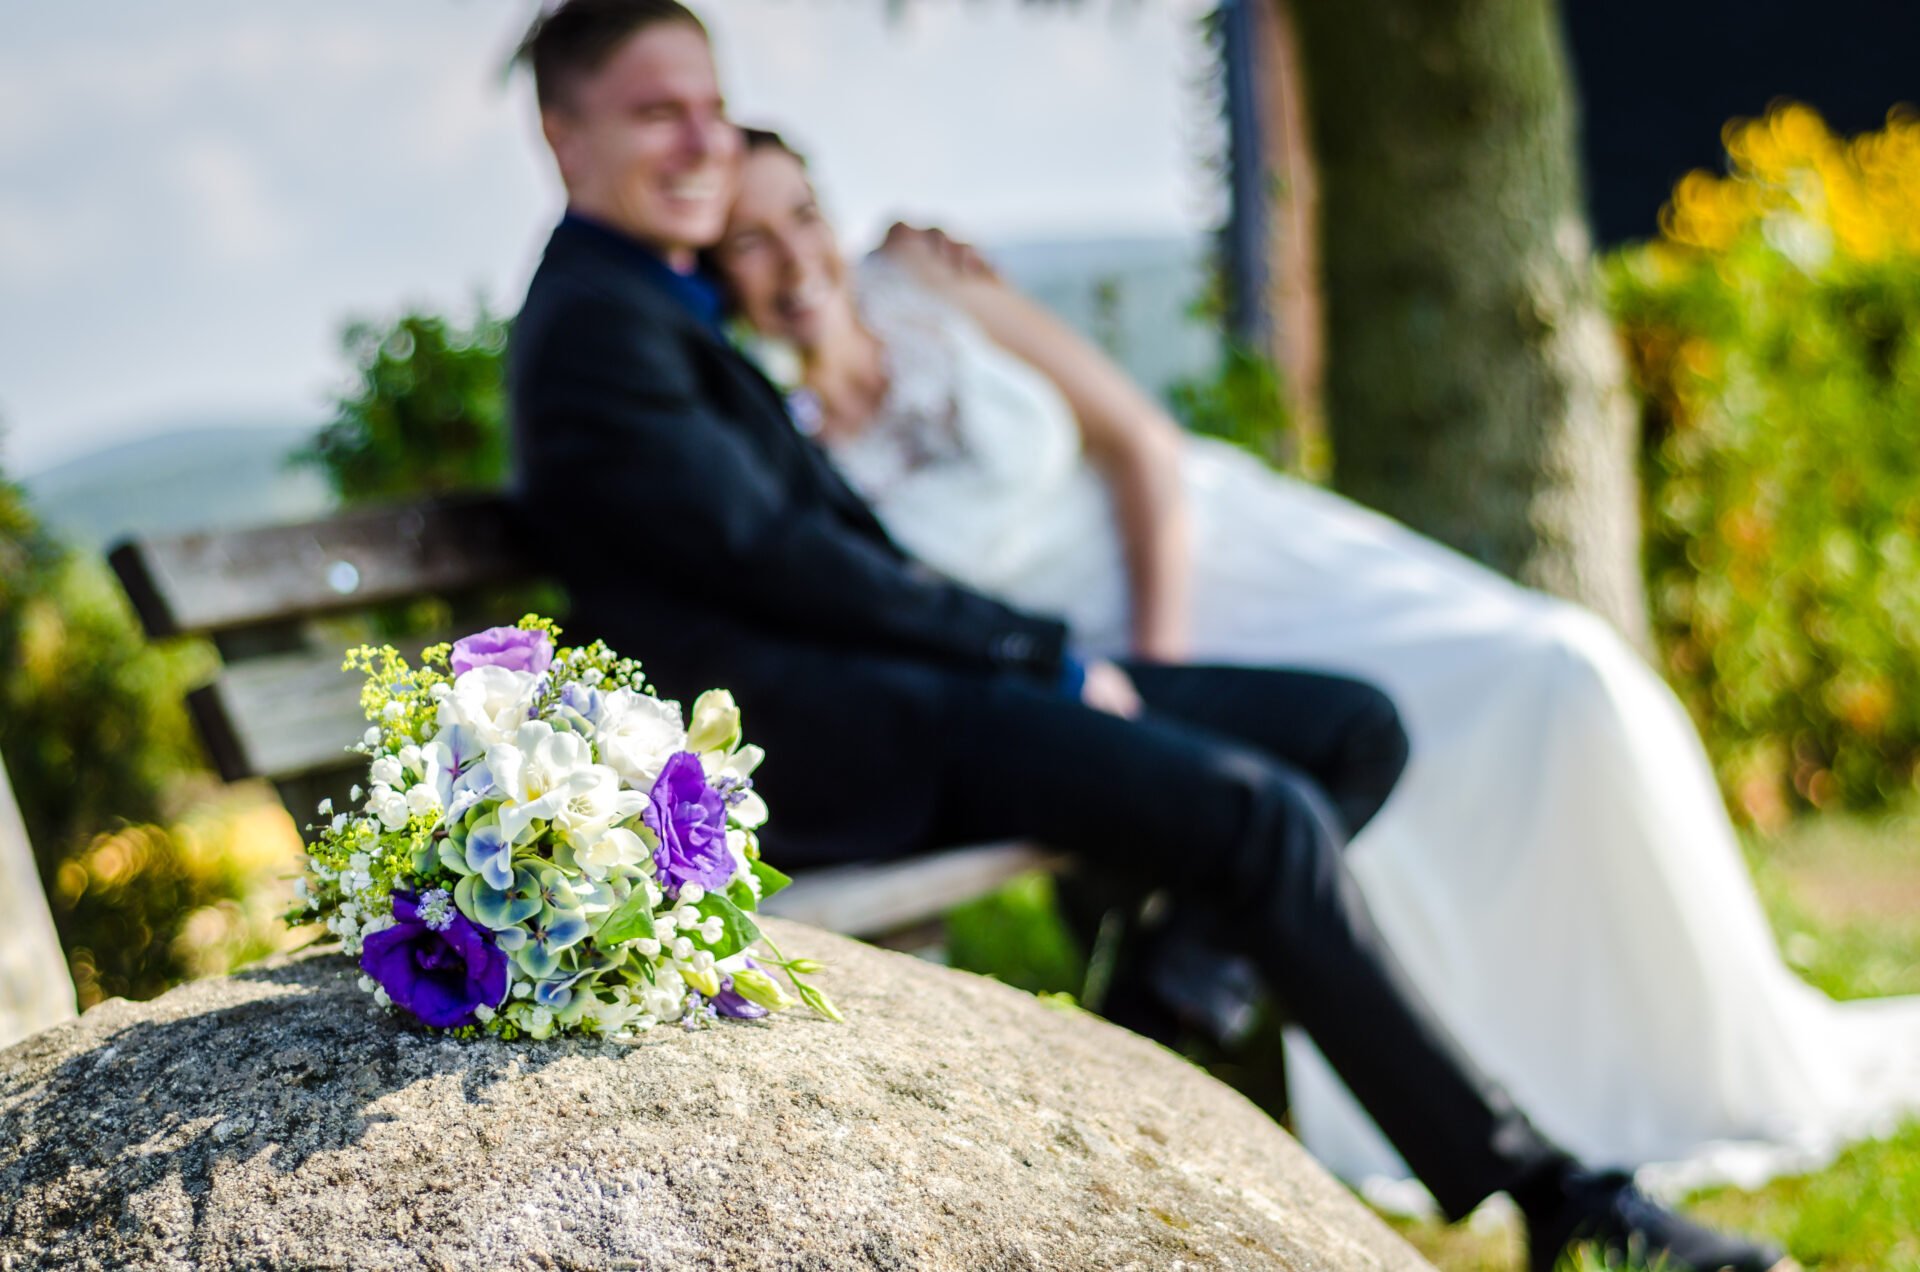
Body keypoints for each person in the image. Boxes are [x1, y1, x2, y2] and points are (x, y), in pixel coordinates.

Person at [504, 3, 1791, 1268]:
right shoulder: (600, 332)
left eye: (709, 108)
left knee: (1349, 727)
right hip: (845, 742)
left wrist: (1036, 652)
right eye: (654, 114)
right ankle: (1549, 1194)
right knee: (1260, 818)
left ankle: (1156, 1013)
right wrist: (1044, 658)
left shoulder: (649, 301)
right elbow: (791, 567)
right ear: (565, 134)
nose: (697, 141)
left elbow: (819, 547)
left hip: (900, 690)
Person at [706, 126, 1920, 1203]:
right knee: (1452, 721)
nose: (791, 257)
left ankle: (1220, 971)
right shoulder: (770, 441)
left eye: (800, 216)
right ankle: (1493, 1073)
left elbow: (1138, 443)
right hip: (1071, 669)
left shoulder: (927, 282)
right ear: (717, 276)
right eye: (747, 243)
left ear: (834, 211)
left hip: (1210, 555)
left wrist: (1159, 653)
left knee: (1568, 671)